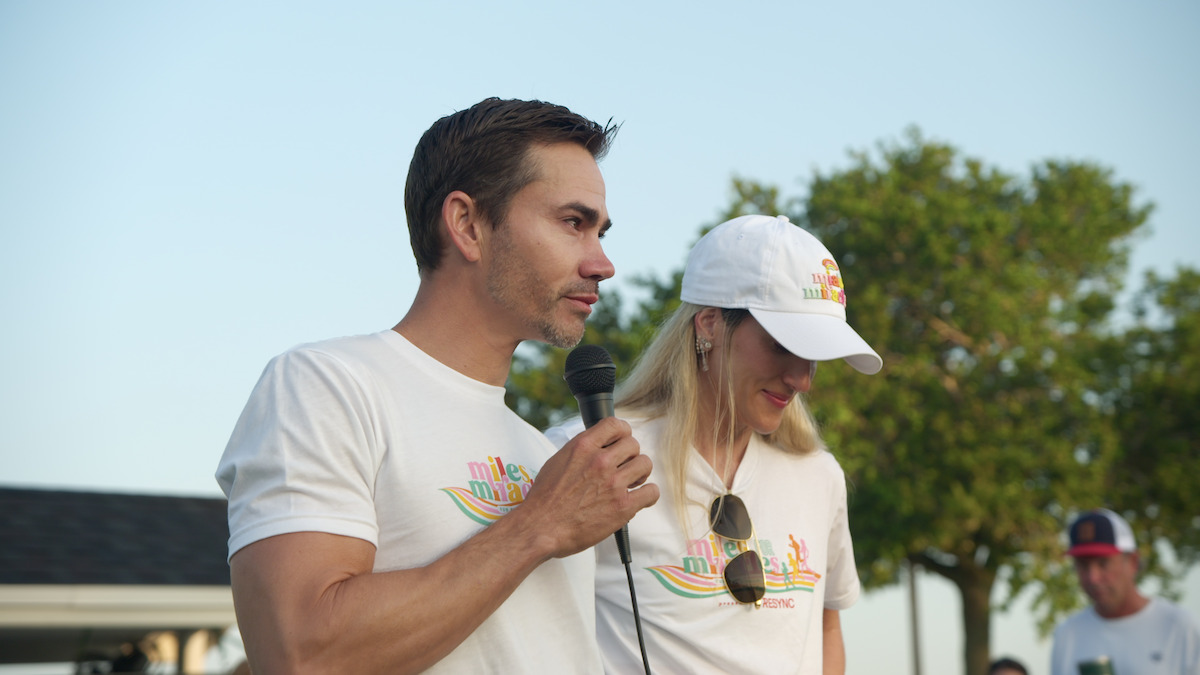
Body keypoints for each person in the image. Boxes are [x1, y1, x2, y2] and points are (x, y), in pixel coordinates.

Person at [215, 97, 659, 674]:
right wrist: (538, 525)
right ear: (468, 225)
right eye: (573, 223)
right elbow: (300, 653)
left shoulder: (538, 448)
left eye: (600, 231)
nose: (602, 263)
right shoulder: (327, 385)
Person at [547, 214, 883, 674]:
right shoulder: (591, 455)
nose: (802, 379)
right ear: (709, 324)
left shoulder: (817, 472)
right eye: (784, 344)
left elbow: (826, 629)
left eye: (816, 355)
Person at [1050, 508, 1200, 675]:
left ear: (1133, 561)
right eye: (1083, 565)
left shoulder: (1179, 627)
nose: (1093, 577)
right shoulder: (1067, 634)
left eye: (1103, 563)